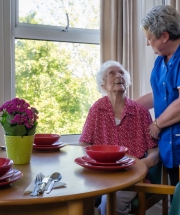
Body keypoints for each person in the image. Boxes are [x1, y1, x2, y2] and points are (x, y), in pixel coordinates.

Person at [79, 60, 159, 215]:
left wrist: (139, 165)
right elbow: (83, 144)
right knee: (76, 201)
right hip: (100, 175)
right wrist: (95, 164)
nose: (119, 76)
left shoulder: (141, 112)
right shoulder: (96, 109)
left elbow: (154, 152)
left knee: (110, 203)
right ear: (103, 85)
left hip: (130, 175)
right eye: (112, 73)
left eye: (121, 73)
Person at [135, 5, 180, 189]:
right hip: (169, 147)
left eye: (149, 38)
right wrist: (129, 106)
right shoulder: (160, 61)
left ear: (164, 36)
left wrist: (157, 124)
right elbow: (160, 96)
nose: (148, 43)